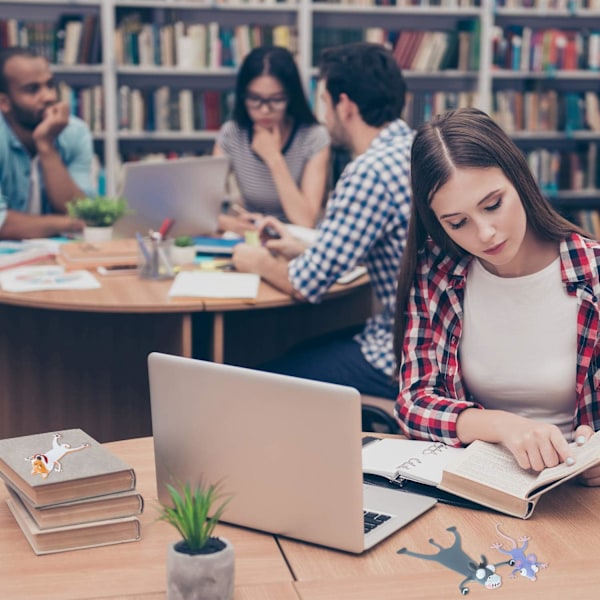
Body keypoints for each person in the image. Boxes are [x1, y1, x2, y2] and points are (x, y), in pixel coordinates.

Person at [394, 107, 600, 485]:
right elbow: (413, 402)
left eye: (492, 205)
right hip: (480, 485)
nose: (485, 233)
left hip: (578, 494)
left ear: (519, 177)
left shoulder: (592, 273)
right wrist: (503, 426)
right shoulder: (438, 272)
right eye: (458, 223)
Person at [232, 42, 412, 399]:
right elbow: (379, 243)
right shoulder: (416, 146)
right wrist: (300, 247)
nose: (325, 116)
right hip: (428, 340)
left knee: (256, 380)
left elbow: (304, 285)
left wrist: (249, 258)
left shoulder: (368, 171)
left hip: (400, 354)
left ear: (345, 105)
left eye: (326, 104)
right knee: (302, 352)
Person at [213, 46, 330, 233]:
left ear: (290, 97)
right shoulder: (232, 133)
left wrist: (274, 158)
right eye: (254, 99)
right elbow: (202, 210)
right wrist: (232, 224)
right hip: (250, 236)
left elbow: (306, 220)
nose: (265, 110)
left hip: (295, 239)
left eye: (276, 100)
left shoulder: (313, 137)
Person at [0, 47, 94, 240]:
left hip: (57, 259)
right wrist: (69, 223)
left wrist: (46, 145)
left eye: (50, 85)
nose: (49, 97)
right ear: (4, 102)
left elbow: (80, 209)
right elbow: (2, 224)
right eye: (32, 89)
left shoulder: (75, 132)